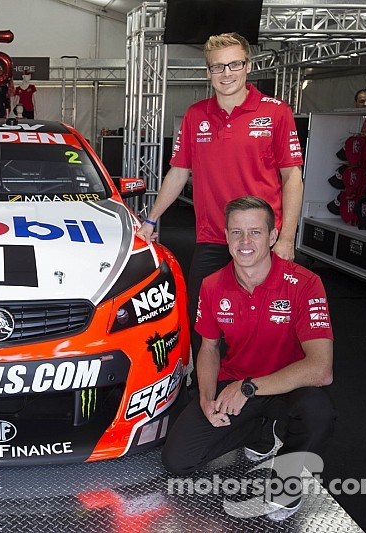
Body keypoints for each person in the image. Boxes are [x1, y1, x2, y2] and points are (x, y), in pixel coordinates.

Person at [135, 32, 303, 379]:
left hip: (260, 240)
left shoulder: (276, 113)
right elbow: (178, 173)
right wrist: (150, 219)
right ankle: (209, 392)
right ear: (208, 72)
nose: (227, 74)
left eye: (234, 64)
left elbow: (292, 179)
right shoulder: (196, 115)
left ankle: (264, 396)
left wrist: (286, 239)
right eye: (217, 67)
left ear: (248, 66)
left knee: (265, 324)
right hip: (213, 238)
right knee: (206, 320)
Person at [161, 196, 335, 521]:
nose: (245, 242)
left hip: (286, 388)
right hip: (237, 385)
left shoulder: (306, 284)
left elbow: (321, 369)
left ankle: (287, 485)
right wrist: (206, 398)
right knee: (178, 460)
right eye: (236, 232)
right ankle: (261, 432)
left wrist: (248, 388)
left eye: (255, 232)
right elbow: (209, 348)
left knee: (318, 413)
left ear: (272, 237)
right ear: (226, 237)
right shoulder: (213, 286)